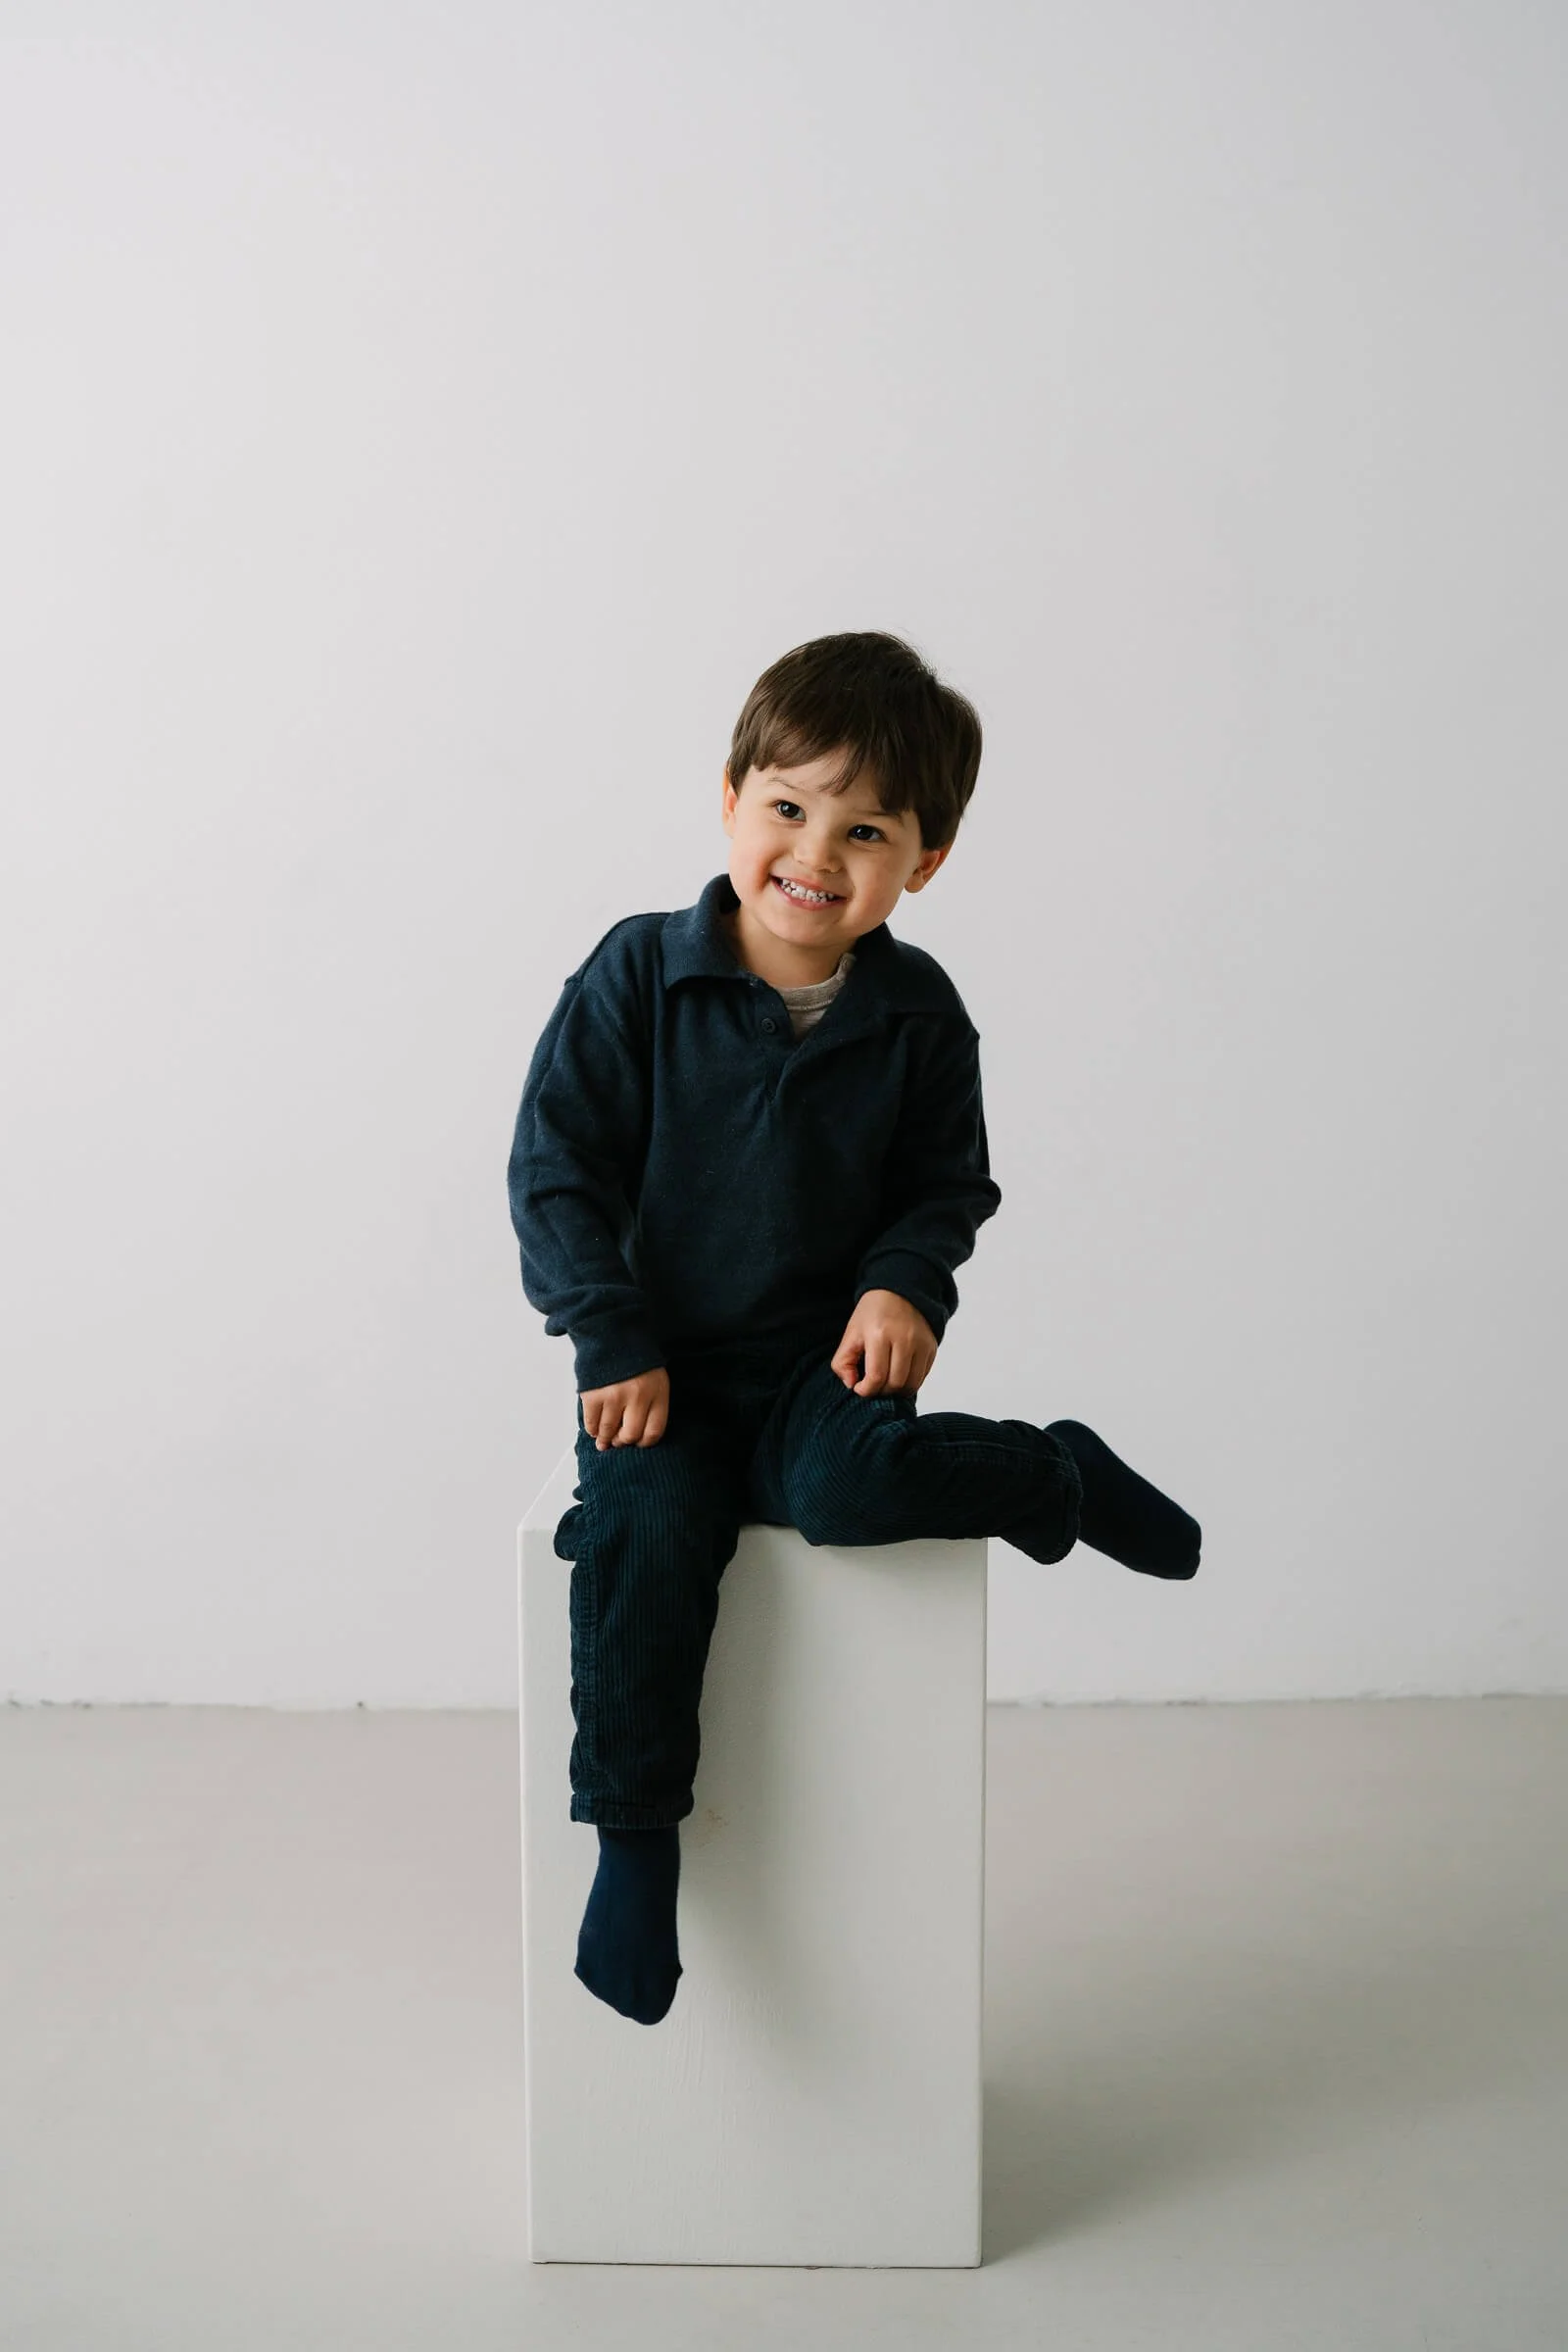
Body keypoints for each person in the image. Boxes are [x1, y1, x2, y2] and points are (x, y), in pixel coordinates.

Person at [507, 631, 1201, 2027]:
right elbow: (555, 1167)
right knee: (643, 1541)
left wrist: (906, 1288)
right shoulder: (639, 977)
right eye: (788, 808)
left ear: (922, 864)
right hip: (662, 1377)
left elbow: (946, 1186)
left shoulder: (918, 1019)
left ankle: (1052, 1473)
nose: (816, 853)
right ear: (729, 801)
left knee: (849, 1488)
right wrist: (609, 1333)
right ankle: (633, 1845)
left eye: (864, 828)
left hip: (818, 1370)